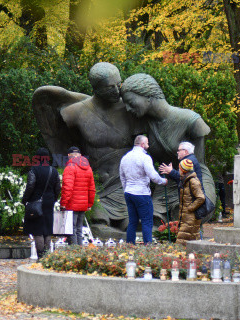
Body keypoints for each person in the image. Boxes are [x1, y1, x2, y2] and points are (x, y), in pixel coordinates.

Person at [33, 62, 144, 237]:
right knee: (98, 222)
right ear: (97, 88)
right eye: (110, 87)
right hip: (95, 186)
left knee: (131, 223)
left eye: (119, 84)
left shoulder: (131, 110)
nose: (117, 91)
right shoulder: (75, 112)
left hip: (125, 184)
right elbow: (64, 145)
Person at [121, 74, 215, 222]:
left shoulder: (191, 121)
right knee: (151, 221)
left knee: (190, 215)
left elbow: (197, 166)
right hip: (166, 184)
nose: (127, 108)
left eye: (131, 102)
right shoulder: (145, 124)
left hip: (194, 180)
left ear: (148, 97)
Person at [119, 135, 167, 244]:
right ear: (142, 144)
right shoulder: (145, 157)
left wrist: (126, 189)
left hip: (129, 192)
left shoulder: (125, 157)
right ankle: (148, 246)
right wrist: (163, 181)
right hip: (142, 193)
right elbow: (153, 176)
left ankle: (130, 245)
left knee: (132, 222)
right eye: (147, 143)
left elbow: (122, 176)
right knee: (147, 221)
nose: (148, 145)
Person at [22, 148, 61, 258]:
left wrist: (25, 199)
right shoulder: (53, 170)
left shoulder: (34, 170)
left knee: (37, 230)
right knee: (47, 230)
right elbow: (58, 187)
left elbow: (30, 185)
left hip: (36, 202)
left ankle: (40, 257)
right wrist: (53, 198)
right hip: (49, 202)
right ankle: (47, 257)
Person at [60, 147, 96, 246]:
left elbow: (67, 188)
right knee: (79, 229)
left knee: (71, 229)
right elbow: (92, 188)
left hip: (72, 204)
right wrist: (89, 204)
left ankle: (74, 252)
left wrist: (63, 203)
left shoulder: (70, 167)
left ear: (68, 156)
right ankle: (79, 254)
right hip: (83, 204)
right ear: (80, 155)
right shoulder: (88, 168)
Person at [175, 159, 205, 246]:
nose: (178, 170)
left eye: (179, 168)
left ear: (184, 170)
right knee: (192, 242)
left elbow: (201, 197)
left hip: (190, 218)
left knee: (181, 243)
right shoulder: (185, 180)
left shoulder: (193, 181)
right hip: (186, 217)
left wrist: (190, 208)